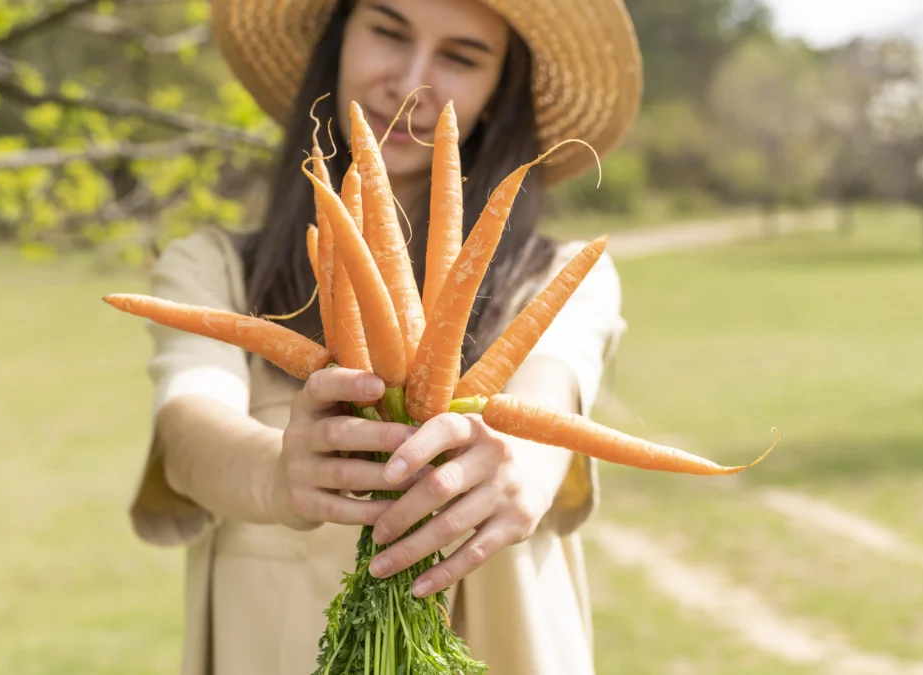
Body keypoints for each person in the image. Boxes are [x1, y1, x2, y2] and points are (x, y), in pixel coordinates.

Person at [128, 0, 641, 673]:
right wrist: (276, 473)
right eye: (388, 32)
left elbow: (549, 394)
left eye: (460, 57)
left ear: (499, 91)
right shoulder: (214, 268)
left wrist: (518, 463)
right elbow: (190, 427)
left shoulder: (558, 279)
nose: (410, 83)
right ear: (339, 39)